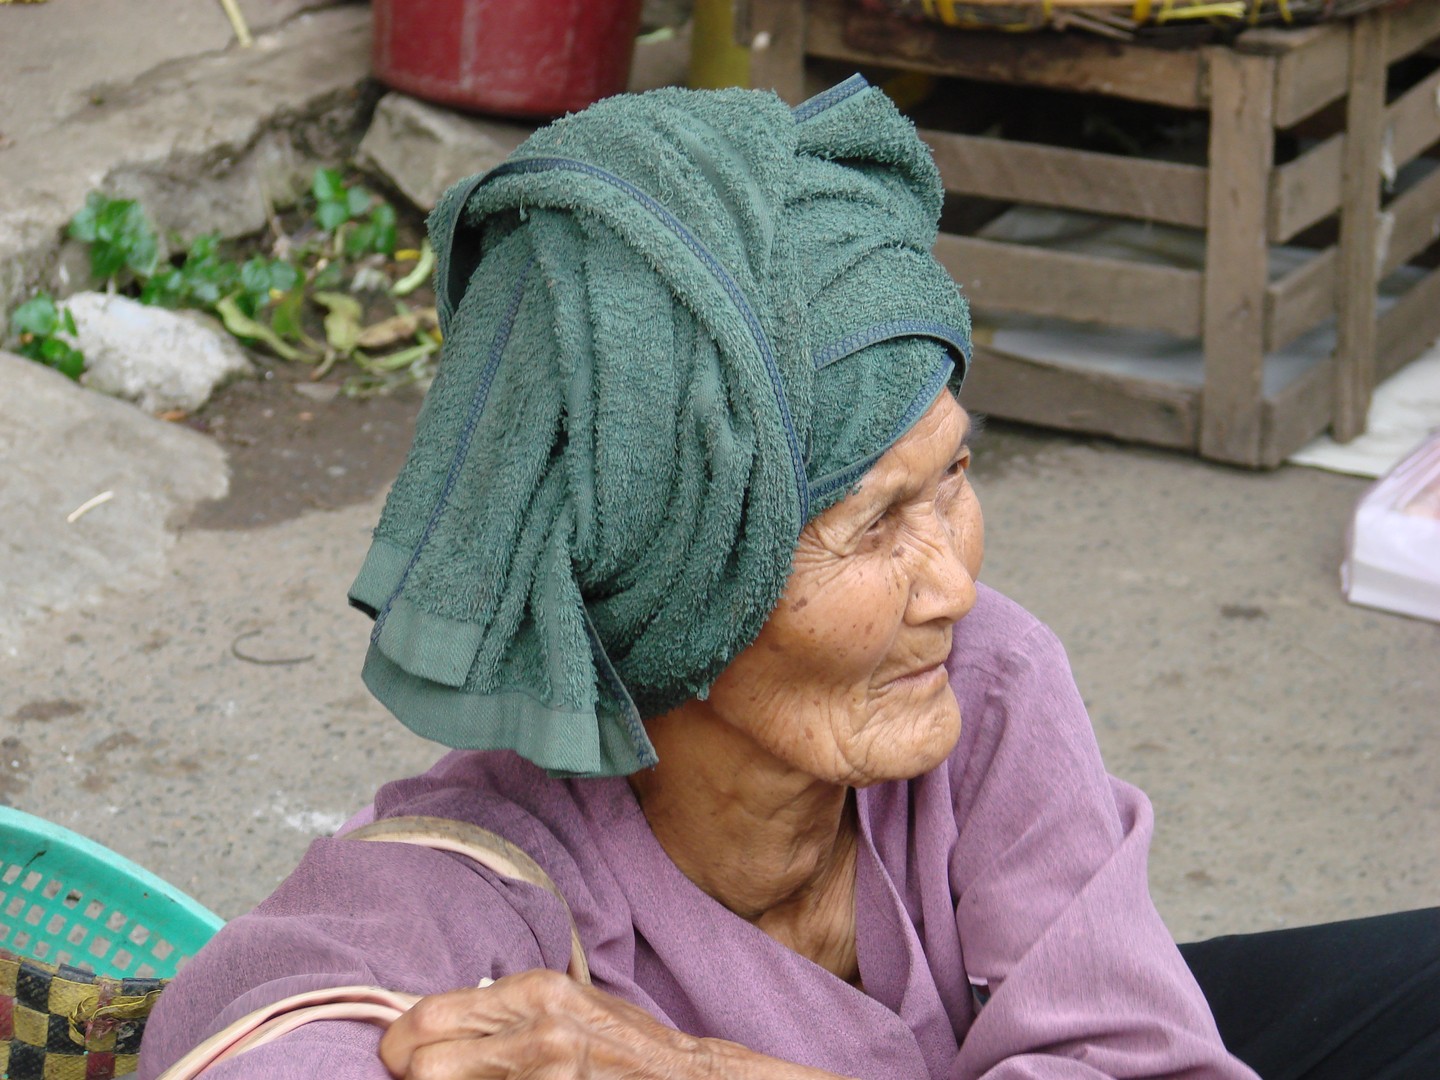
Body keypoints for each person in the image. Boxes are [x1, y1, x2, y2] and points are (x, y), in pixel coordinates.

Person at [137, 77, 1438, 1080]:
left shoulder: (986, 682)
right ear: (676, 596)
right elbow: (267, 1030)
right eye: (875, 527)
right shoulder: (475, 889)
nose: (952, 584)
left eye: (957, 480)